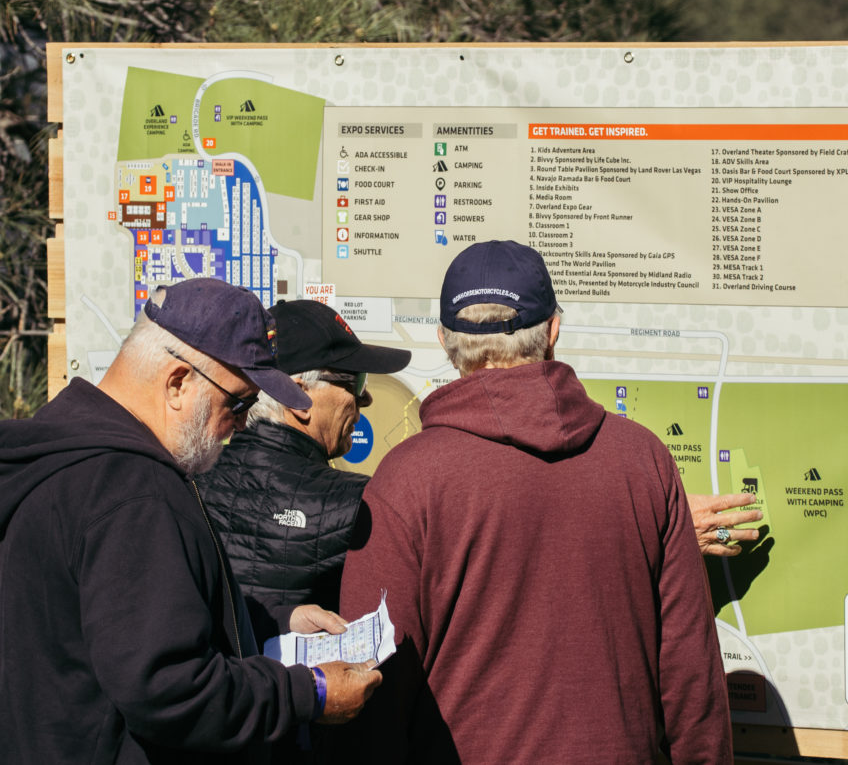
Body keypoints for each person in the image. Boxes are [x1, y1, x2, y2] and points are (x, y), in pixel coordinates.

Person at [339, 240, 733, 763]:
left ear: (445, 342)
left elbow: (371, 681)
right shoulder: (645, 460)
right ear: (553, 331)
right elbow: (691, 676)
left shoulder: (407, 479)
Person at [0, 278, 382, 764]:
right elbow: (169, 688)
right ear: (178, 382)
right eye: (238, 402)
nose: (244, 423)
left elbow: (118, 619)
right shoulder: (133, 492)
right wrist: (311, 694)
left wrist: (272, 620)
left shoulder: (65, 450)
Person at [198, 298, 411, 623]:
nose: (365, 400)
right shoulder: (359, 502)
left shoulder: (189, 483)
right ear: (298, 396)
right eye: (356, 382)